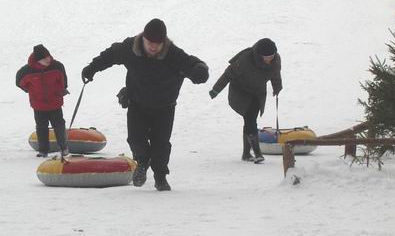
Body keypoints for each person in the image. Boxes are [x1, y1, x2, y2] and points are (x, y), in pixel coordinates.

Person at [81, 18, 209, 191]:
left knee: (161, 144)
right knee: (135, 139)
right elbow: (110, 55)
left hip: (165, 107)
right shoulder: (130, 48)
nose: (154, 47)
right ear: (143, 38)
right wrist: (92, 68)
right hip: (137, 104)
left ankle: (160, 176)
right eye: (150, 42)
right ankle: (141, 163)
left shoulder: (173, 54)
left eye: (158, 43)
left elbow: (192, 63)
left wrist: (199, 71)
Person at [209, 38, 282, 164]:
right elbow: (227, 74)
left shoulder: (275, 60)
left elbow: (275, 74)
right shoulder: (245, 59)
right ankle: (257, 153)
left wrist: (277, 87)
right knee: (250, 118)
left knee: (250, 119)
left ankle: (246, 154)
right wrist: (215, 90)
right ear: (260, 55)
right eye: (267, 56)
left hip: (257, 93)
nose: (270, 58)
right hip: (240, 91)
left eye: (272, 55)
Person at [16, 44, 69, 157]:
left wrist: (60, 92)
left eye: (48, 56)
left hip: (55, 103)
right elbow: (19, 83)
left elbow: (64, 82)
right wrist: (30, 92)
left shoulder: (57, 66)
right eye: (45, 58)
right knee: (41, 128)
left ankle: (64, 148)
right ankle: (43, 151)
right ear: (38, 60)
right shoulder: (26, 71)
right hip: (38, 105)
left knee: (59, 125)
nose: (48, 59)